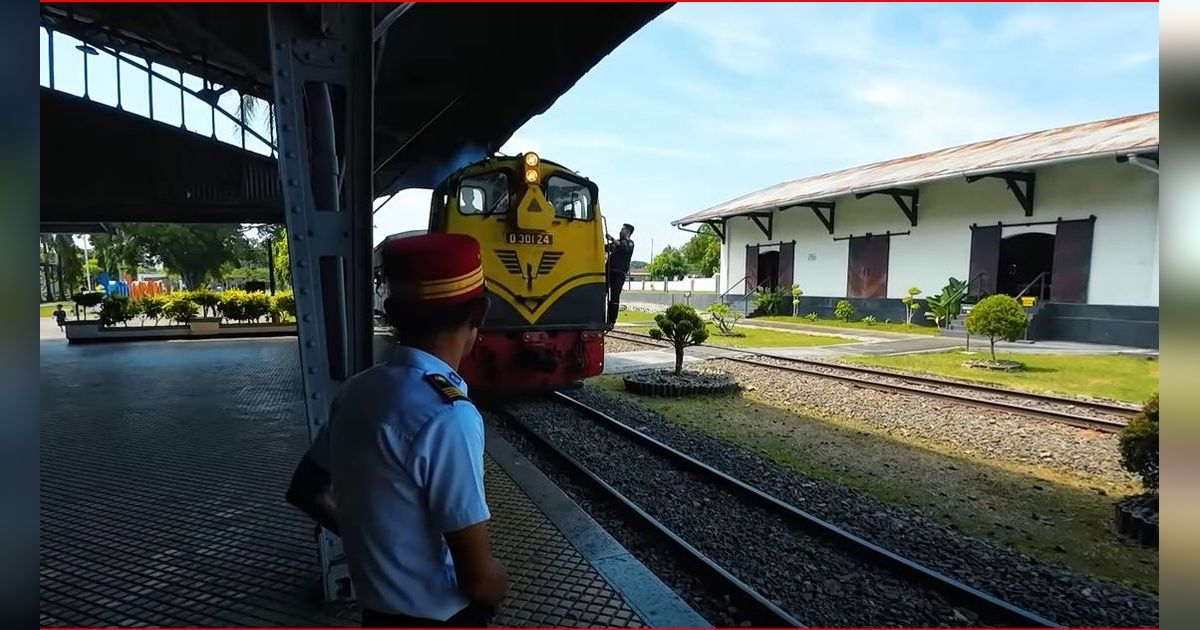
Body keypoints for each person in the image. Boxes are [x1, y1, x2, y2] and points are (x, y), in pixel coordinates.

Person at [285, 233, 508, 628]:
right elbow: (479, 581)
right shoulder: (448, 416)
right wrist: (497, 590)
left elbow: (307, 489)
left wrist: (372, 542)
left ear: (392, 311)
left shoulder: (357, 390)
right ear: (480, 312)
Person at [604, 223, 635, 329]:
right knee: (602, 293)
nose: (620, 231)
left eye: (623, 230)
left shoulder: (629, 243)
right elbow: (607, 248)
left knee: (614, 297)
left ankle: (612, 320)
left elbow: (623, 247)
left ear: (628, 232)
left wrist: (612, 239)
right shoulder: (617, 243)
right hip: (609, 272)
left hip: (618, 274)